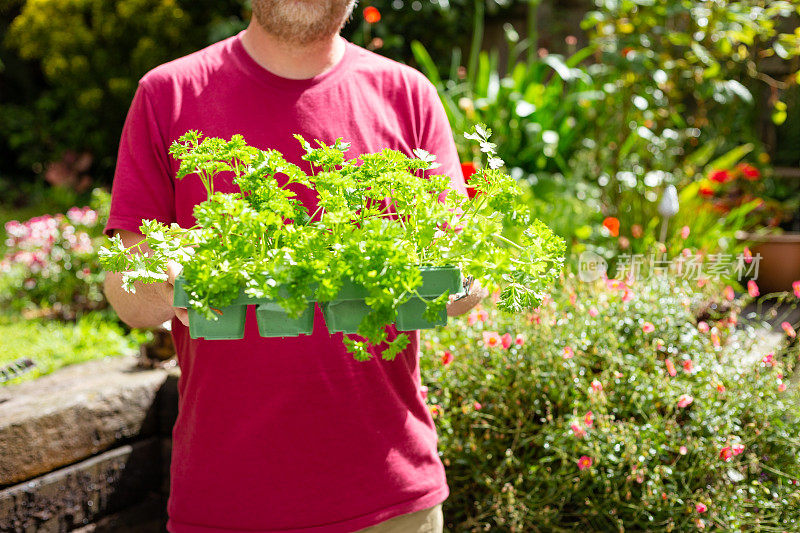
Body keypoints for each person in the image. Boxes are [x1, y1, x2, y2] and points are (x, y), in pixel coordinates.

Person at [102, 1, 485, 532]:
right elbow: (125, 287)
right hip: (227, 503)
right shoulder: (168, 94)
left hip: (394, 501)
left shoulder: (408, 94)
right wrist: (177, 284)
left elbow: (462, 272)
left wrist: (459, 281)